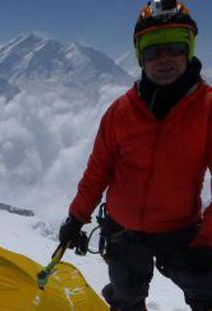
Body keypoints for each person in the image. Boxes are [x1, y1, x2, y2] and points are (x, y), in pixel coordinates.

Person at [58, 1, 212, 310]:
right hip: (124, 231)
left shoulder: (207, 110)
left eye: (174, 47)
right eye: (153, 50)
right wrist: (76, 216)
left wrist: (208, 240)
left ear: (189, 47)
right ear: (141, 55)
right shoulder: (120, 112)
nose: (163, 58)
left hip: (181, 231)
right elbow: (98, 170)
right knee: (126, 300)